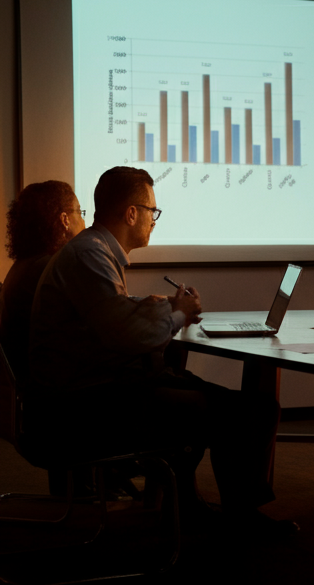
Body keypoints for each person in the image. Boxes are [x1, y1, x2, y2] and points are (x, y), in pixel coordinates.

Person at [30, 166, 295, 540]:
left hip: (81, 392)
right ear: (131, 213)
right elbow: (123, 335)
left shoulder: (90, 251)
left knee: (196, 390)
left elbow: (109, 313)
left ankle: (187, 507)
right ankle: (240, 520)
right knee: (252, 410)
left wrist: (164, 308)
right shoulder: (90, 255)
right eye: (152, 211)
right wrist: (178, 314)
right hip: (87, 405)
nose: (155, 220)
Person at [0, 181, 86, 377]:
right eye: (80, 213)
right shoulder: (51, 269)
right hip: (57, 392)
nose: (84, 223)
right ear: (65, 220)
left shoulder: (27, 266)